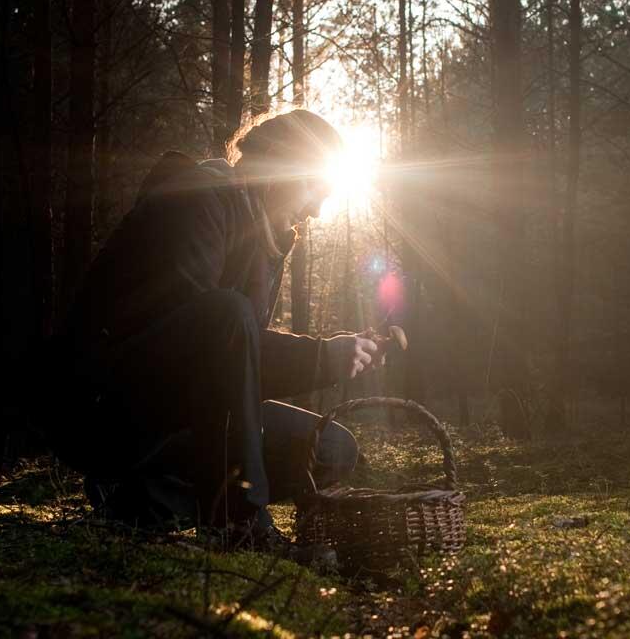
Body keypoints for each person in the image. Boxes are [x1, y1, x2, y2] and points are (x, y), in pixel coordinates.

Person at [39, 110, 381, 549]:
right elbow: (200, 331)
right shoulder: (200, 196)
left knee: (332, 448)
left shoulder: (263, 235)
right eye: (316, 188)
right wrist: (319, 356)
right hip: (102, 410)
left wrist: (330, 358)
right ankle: (239, 524)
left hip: (182, 413)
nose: (317, 210)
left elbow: (239, 365)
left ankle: (148, 500)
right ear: (278, 164)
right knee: (227, 313)